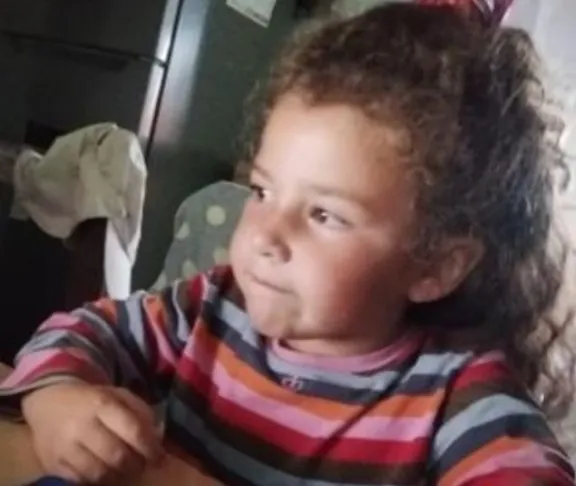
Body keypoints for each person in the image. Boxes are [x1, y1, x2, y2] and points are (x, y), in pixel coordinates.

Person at [0, 3, 574, 485]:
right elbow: (83, 329)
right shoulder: (212, 307)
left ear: (435, 266)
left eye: (324, 214)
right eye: (262, 191)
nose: (265, 236)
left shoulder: (461, 398)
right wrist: (57, 398)